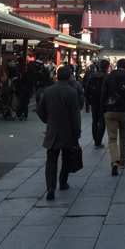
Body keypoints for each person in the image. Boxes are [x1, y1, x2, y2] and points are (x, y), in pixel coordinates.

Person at [36, 66, 82, 200]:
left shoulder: (49, 90)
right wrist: (77, 132)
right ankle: (63, 182)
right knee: (66, 158)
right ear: (69, 77)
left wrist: (47, 120)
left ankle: (50, 186)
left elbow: (40, 109)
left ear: (56, 76)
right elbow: (75, 115)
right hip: (67, 130)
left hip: (52, 129)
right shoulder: (72, 92)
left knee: (51, 158)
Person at [101, 58, 125, 175]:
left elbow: (104, 93)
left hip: (111, 110)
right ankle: (122, 161)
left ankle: (114, 160)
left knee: (112, 138)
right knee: (123, 137)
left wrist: (104, 108)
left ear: (116, 65)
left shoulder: (109, 76)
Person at [86, 59, 110, 149]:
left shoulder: (92, 75)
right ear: (108, 67)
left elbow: (87, 88)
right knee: (102, 122)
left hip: (94, 100)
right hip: (104, 101)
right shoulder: (108, 77)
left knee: (94, 121)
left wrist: (89, 100)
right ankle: (98, 141)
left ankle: (95, 139)